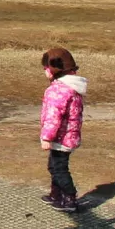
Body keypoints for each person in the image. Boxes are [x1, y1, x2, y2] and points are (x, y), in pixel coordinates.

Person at [39, 47, 87, 213]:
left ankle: (69, 197)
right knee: (55, 166)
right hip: (68, 135)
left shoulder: (58, 91)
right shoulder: (72, 88)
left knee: (58, 168)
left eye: (46, 69)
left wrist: (46, 137)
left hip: (61, 137)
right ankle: (56, 194)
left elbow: (54, 117)